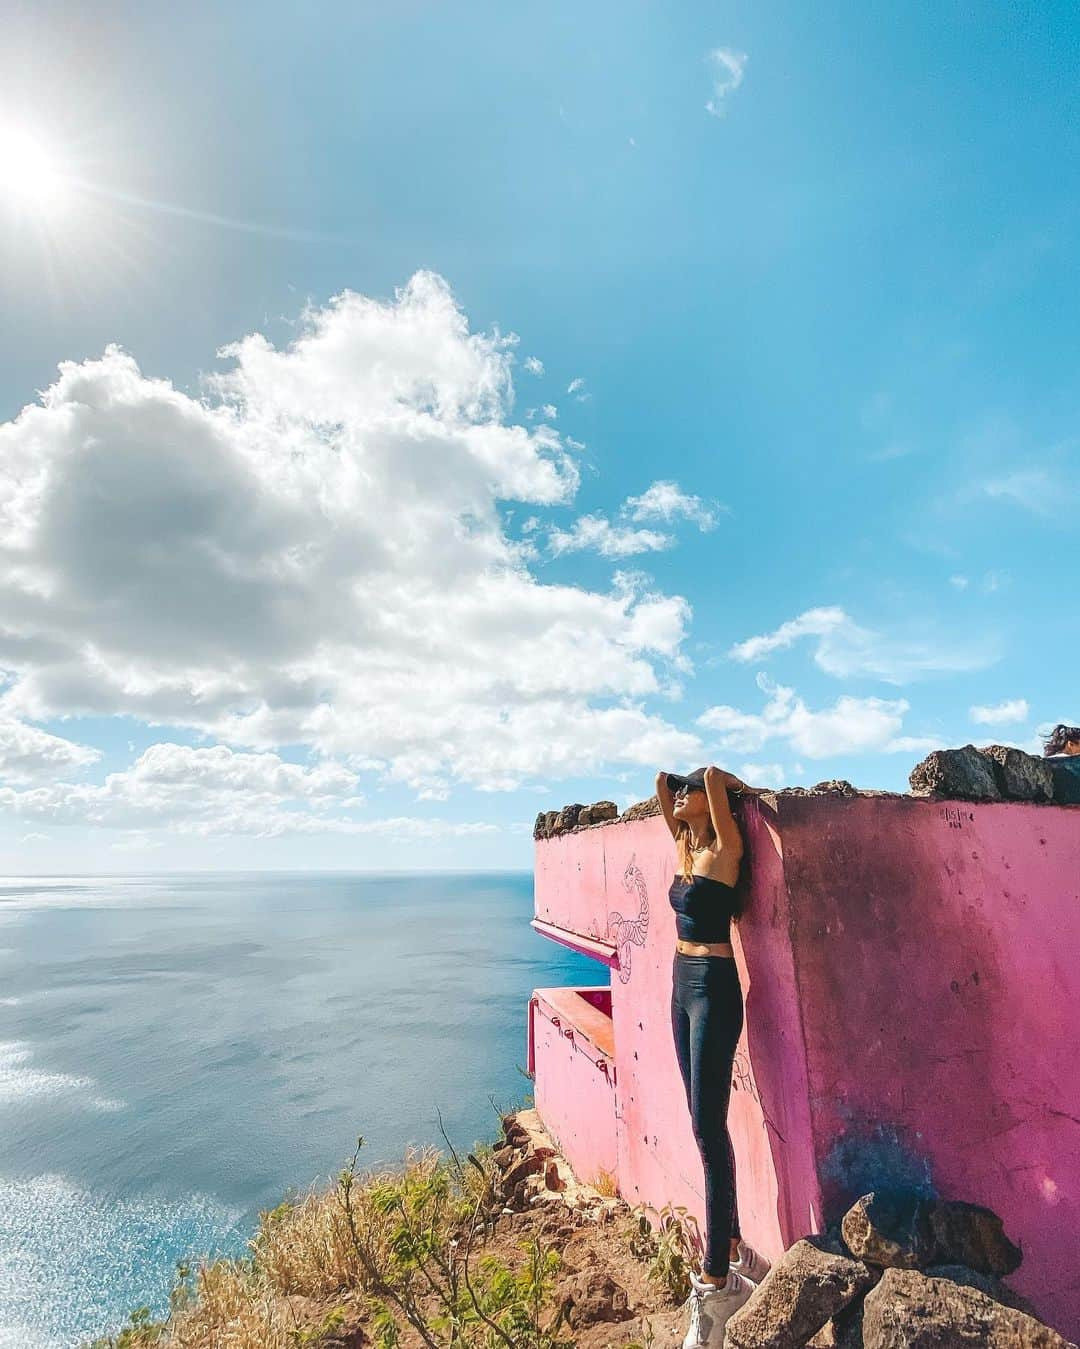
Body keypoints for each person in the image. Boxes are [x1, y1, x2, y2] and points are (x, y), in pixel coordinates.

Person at [655, 763, 771, 1349]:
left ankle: (716, 1279)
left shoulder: (725, 845)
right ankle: (727, 1241)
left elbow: (710, 775)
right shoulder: (686, 843)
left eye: (688, 792)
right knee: (700, 1123)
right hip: (679, 982)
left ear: (712, 799)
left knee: (708, 1126)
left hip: (714, 987)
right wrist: (674, 787)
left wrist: (709, 782)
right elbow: (661, 786)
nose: (677, 797)